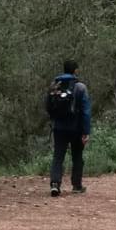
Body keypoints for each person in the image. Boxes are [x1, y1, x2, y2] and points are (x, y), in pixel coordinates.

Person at [47, 60, 91, 197]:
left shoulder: (55, 86)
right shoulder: (80, 87)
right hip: (76, 128)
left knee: (58, 156)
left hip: (59, 128)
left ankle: (55, 184)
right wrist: (86, 131)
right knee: (77, 156)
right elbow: (85, 112)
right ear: (75, 71)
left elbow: (48, 106)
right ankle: (77, 185)